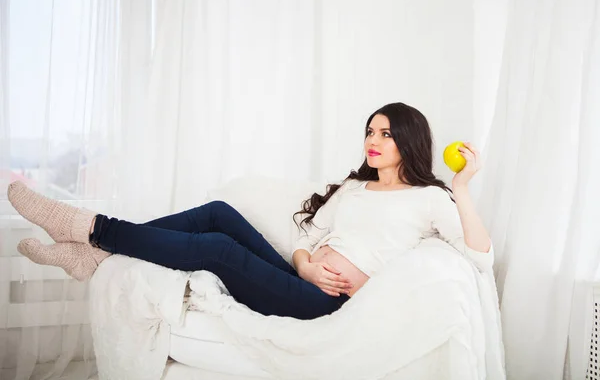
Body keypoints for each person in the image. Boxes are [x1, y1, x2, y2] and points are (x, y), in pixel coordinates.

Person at [7, 102, 493, 320]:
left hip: (326, 305)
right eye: (370, 130)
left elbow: (480, 258)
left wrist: (462, 188)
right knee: (218, 212)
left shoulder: (430, 199)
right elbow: (307, 238)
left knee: (217, 248)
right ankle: (96, 253)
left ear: (408, 140)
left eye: (385, 133)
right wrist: (305, 264)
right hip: (301, 281)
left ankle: (88, 229)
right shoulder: (354, 189)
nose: (373, 140)